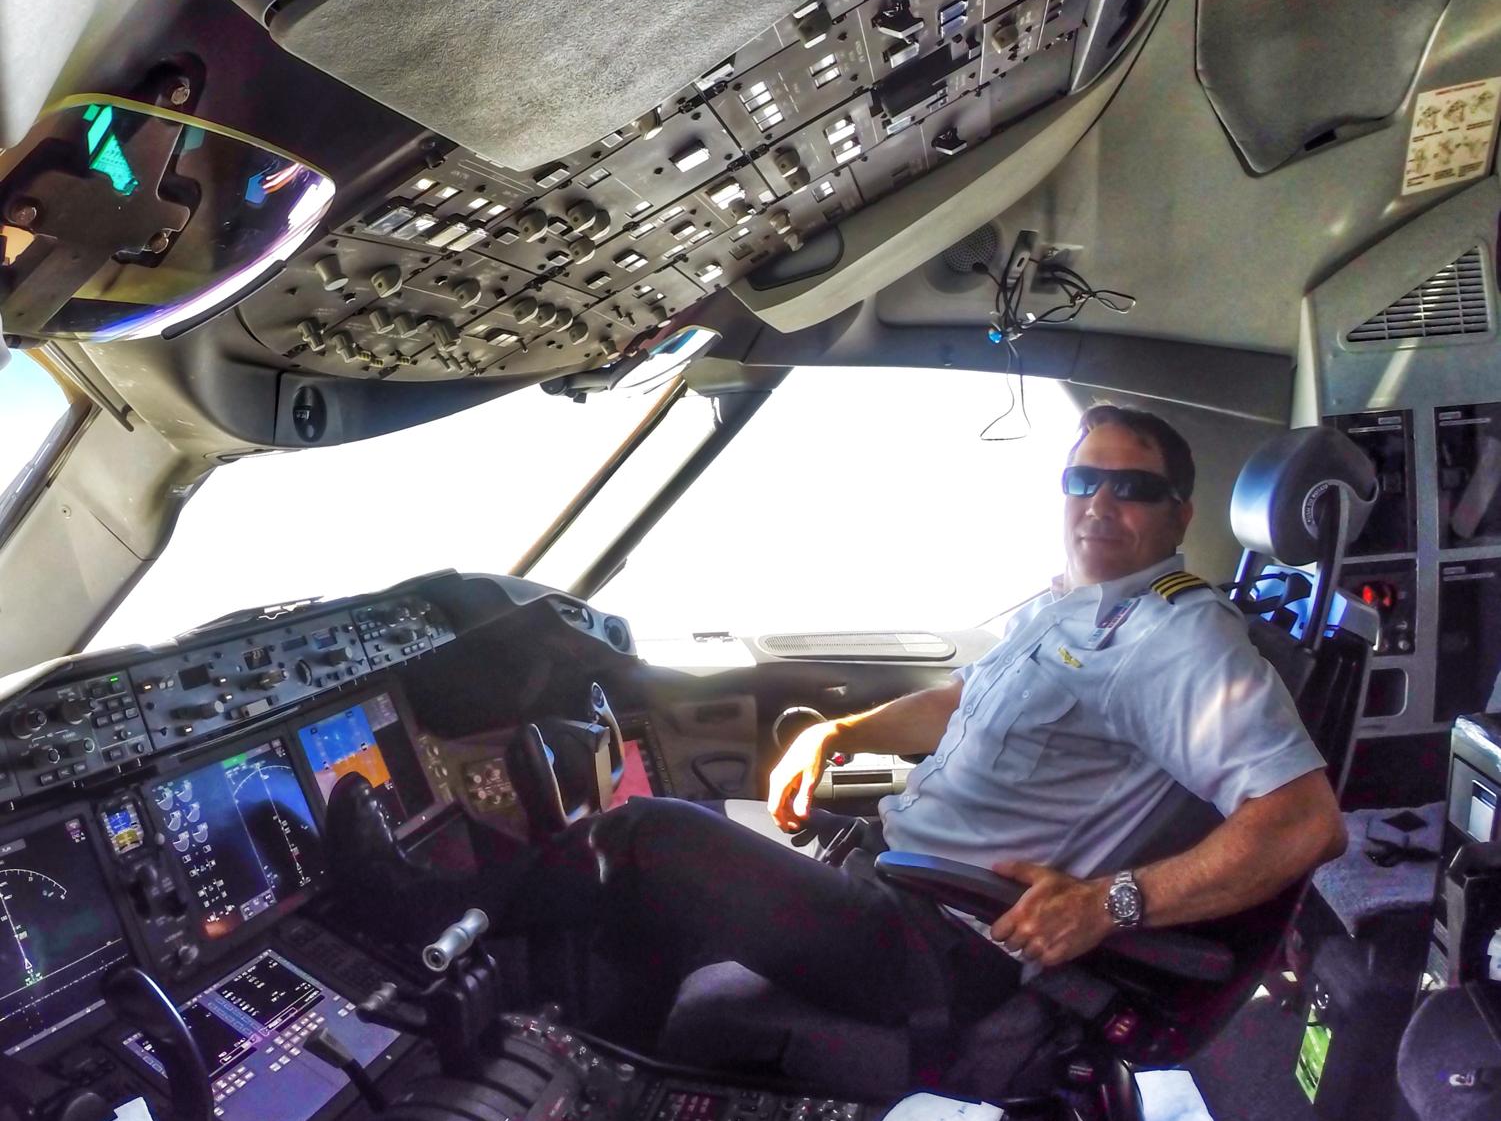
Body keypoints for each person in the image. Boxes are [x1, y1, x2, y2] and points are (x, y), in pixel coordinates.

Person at [329, 404, 1347, 1040]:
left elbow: (1302, 822)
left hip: (944, 951)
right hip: (895, 887)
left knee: (645, 840)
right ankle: (579, 1056)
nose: (1100, 503)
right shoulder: (1071, 607)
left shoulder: (1180, 638)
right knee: (672, 882)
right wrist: (842, 734)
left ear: (1178, 514)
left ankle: (416, 917)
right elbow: (966, 699)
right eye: (1085, 479)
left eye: (1134, 489)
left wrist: (1108, 904)